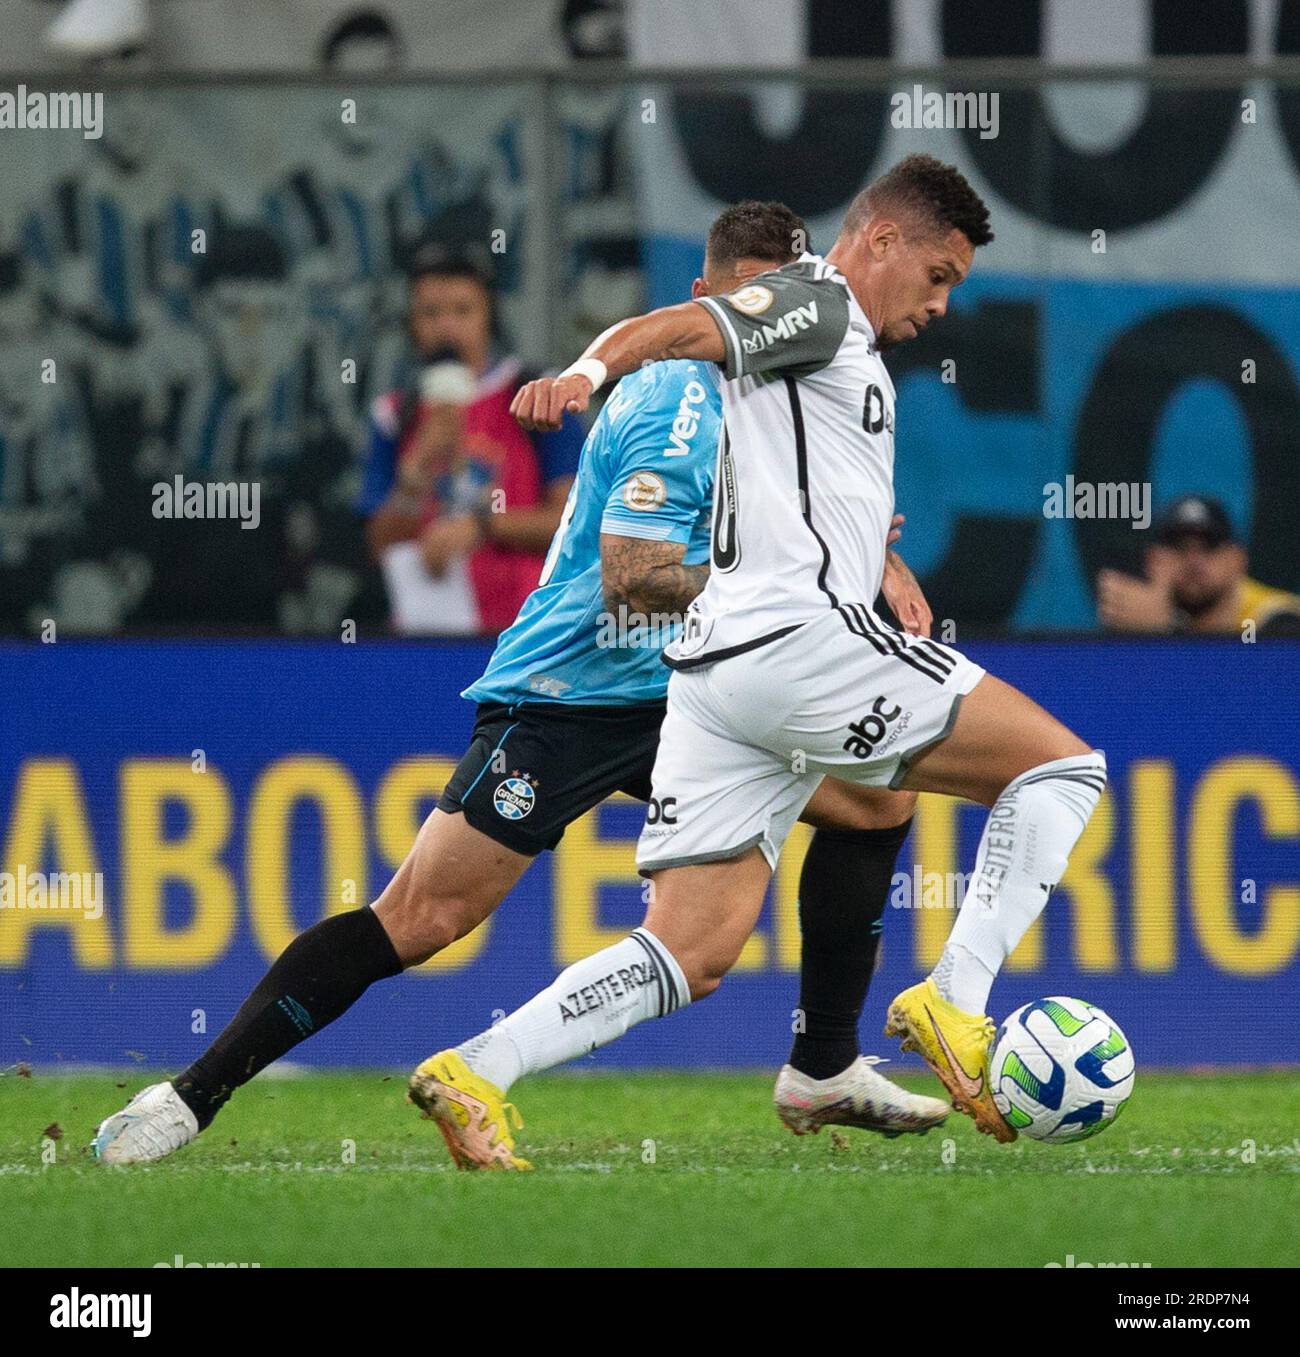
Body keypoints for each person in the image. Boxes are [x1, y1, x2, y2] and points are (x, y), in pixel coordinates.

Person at [91, 200, 947, 1166]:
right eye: (749, 300)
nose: (769, 321)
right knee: (422, 919)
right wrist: (796, 582)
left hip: (693, 693)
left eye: (785, 301)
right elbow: (635, 579)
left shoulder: (789, 401)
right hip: (575, 692)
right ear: (703, 298)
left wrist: (861, 554)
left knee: (877, 801)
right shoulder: (682, 397)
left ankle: (826, 1061)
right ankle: (188, 1099)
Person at [416, 154, 1108, 1167]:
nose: (943, 305)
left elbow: (773, 452)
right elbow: (682, 327)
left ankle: (479, 1065)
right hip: (800, 644)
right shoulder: (818, 306)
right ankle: (954, 1004)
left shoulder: (828, 344)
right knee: (1061, 768)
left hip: (713, 678)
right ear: (879, 241)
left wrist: (873, 544)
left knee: (688, 952)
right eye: (938, 275)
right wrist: (585, 374)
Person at [359, 247, 583, 633]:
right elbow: (379, 545)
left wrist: (482, 527)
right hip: (424, 636)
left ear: (488, 317)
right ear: (412, 323)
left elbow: (573, 524)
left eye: (462, 311)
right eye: (430, 313)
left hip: (523, 635)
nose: (446, 326)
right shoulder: (394, 413)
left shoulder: (536, 396)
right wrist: (416, 471)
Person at [1097, 494, 1300, 637]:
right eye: (1180, 548)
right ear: (1153, 560)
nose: (1194, 561)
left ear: (1238, 560)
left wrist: (1162, 633)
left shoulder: (1278, 620)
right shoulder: (1147, 616)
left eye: (1209, 547)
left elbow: (1241, 688)